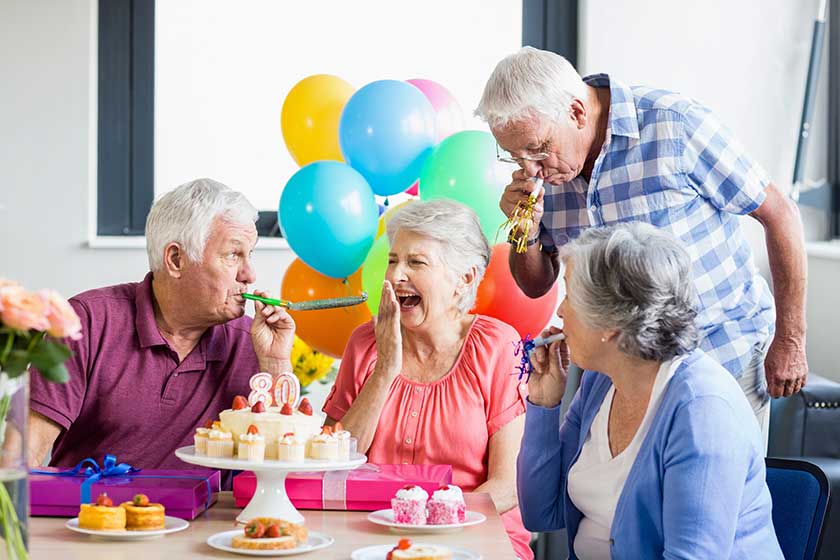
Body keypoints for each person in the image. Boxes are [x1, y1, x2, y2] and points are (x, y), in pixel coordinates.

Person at [475, 46, 808, 439]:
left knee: (711, 497)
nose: (531, 169)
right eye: (515, 157)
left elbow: (779, 214)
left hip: (721, 355)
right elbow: (535, 284)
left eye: (538, 148)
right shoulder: (546, 174)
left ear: (577, 112)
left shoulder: (674, 125)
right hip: (620, 379)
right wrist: (524, 231)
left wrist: (790, 339)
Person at [518, 222, 782, 559]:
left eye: (570, 295)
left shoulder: (703, 412)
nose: (560, 311)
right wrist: (544, 402)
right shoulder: (602, 381)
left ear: (611, 321)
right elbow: (542, 511)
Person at [28, 178, 296, 470]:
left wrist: (274, 363)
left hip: (210, 515)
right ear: (176, 259)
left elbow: (283, 465)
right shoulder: (85, 322)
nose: (249, 274)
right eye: (233, 255)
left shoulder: (249, 340)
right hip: (93, 512)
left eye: (249, 254)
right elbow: (22, 455)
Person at [322, 199, 533, 559]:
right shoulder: (365, 343)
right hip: (373, 536)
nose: (394, 275)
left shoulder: (497, 345)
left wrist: (428, 525)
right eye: (392, 260)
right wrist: (386, 366)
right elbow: (333, 464)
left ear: (463, 279)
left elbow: (508, 485)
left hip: (477, 535)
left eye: (415, 262)